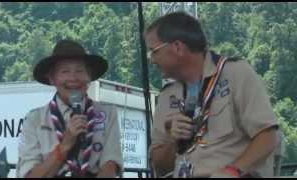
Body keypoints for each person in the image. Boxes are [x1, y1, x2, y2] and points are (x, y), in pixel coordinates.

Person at [144, 12, 280, 178]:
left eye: (153, 51)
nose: (151, 60)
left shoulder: (235, 73)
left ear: (178, 47)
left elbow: (268, 137)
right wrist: (172, 140)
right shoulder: (166, 96)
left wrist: (233, 171)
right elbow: (160, 169)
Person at [16, 39, 123, 178]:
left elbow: (110, 166)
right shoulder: (34, 119)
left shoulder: (107, 113)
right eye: (65, 71)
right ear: (51, 79)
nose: (73, 78)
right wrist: (65, 144)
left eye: (80, 70)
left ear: (89, 77)